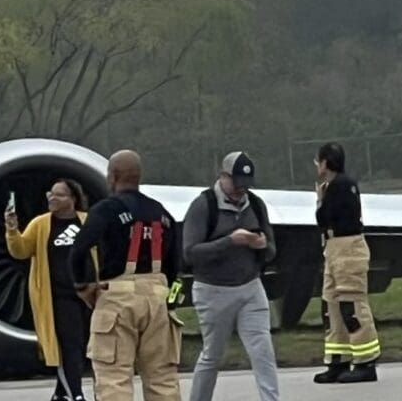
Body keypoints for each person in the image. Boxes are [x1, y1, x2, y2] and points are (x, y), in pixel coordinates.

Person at [69, 150, 181, 401]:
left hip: (118, 296)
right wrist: (171, 299)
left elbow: (78, 251)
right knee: (162, 379)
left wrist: (82, 287)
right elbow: (176, 264)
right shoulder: (161, 212)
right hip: (158, 296)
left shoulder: (106, 210)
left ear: (113, 176)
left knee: (114, 379)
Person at [183, 152, 280, 401]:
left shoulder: (256, 205)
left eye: (245, 185)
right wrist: (229, 241)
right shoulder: (203, 205)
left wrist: (261, 245)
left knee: (263, 353)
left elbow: (271, 250)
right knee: (212, 356)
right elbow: (191, 253)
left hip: (250, 288)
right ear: (223, 176)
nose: (240, 191)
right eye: (236, 184)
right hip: (213, 291)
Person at [5, 179, 97, 401]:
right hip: (58, 297)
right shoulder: (41, 224)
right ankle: (75, 393)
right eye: (51, 194)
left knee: (82, 344)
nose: (52, 198)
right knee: (69, 346)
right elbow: (21, 251)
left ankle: (60, 394)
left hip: (90, 295)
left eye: (59, 195)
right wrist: (12, 230)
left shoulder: (88, 221)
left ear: (73, 199)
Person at [314, 141, 381, 383]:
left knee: (351, 305)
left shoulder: (339, 186)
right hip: (334, 248)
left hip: (347, 249)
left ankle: (365, 362)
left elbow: (324, 217)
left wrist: (320, 199)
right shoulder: (336, 185)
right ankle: (337, 360)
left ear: (325, 162)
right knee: (331, 305)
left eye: (318, 161)